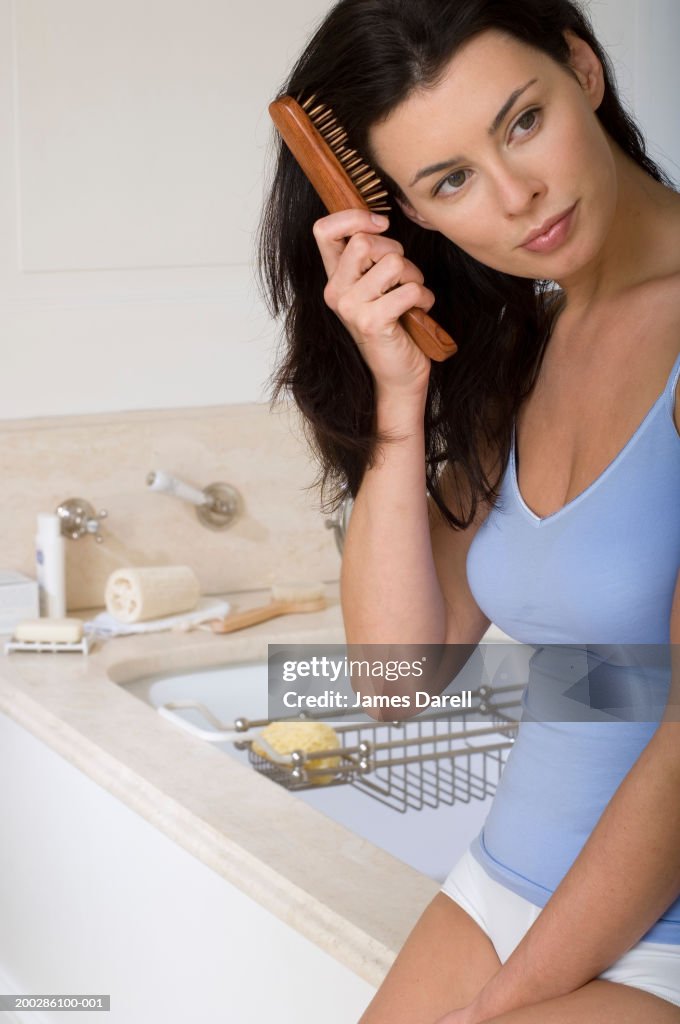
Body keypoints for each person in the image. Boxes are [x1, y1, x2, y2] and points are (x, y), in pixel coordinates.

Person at [258, 1, 680, 1020]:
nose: (515, 195)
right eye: (449, 181)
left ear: (580, 69)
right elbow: (402, 674)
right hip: (504, 886)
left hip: (651, 936)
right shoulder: (517, 349)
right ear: (405, 214)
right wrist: (400, 406)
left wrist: (494, 1008)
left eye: (519, 122)